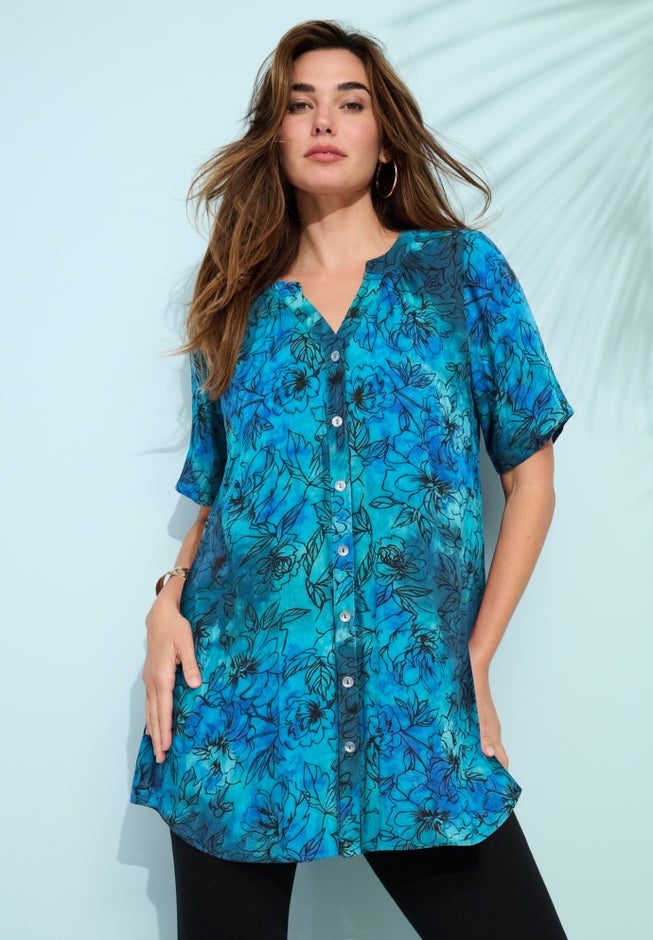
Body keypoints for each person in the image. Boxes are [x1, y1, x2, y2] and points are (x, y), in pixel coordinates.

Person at [131, 19, 573, 940]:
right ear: (276, 137)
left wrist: (475, 658)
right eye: (300, 104)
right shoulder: (236, 300)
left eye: (349, 101)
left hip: (413, 706)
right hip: (238, 710)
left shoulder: (458, 274)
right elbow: (224, 490)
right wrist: (165, 602)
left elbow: (530, 480)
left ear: (384, 139)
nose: (323, 120)